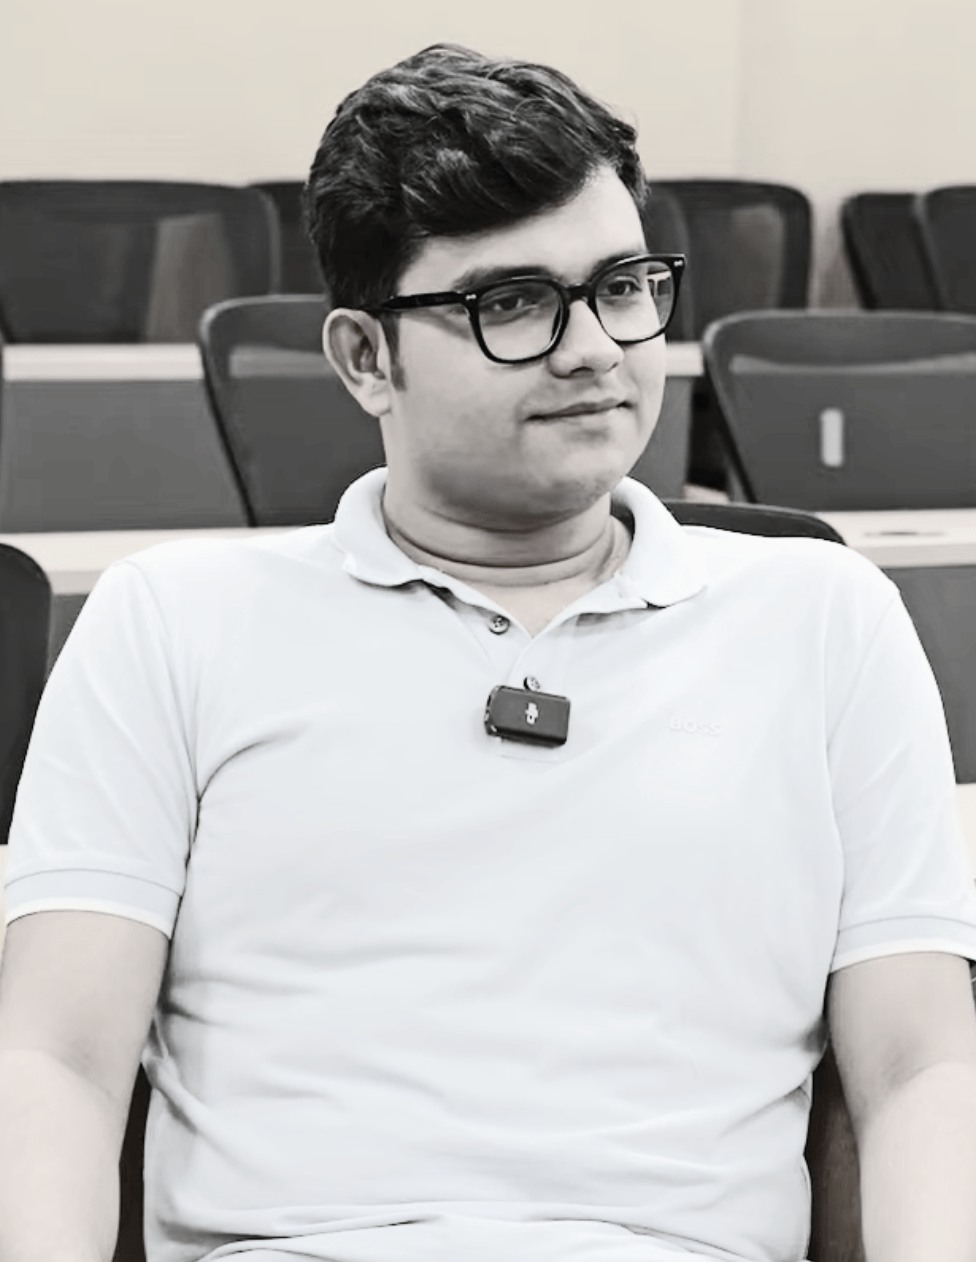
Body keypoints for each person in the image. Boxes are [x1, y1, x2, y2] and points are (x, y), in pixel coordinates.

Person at [2, 42, 976, 1262]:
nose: (593, 347)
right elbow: (57, 1055)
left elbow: (918, 1062)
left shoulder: (825, 616)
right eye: (511, 303)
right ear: (365, 358)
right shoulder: (172, 619)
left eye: (623, 286)